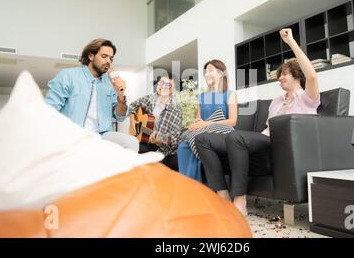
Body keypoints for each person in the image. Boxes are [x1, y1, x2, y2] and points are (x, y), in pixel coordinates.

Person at [195, 29, 320, 215]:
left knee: (234, 137)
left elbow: (312, 76)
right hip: (260, 149)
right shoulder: (276, 101)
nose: (280, 78)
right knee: (203, 139)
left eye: (284, 74)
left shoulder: (307, 97)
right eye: (279, 75)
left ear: (297, 74)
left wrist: (291, 42)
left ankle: (240, 198)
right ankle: (222, 195)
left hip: (278, 146)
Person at [45, 39, 138, 151]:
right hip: (74, 134)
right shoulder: (68, 76)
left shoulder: (110, 83)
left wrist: (121, 96)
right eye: (104, 56)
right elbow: (50, 109)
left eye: (111, 58)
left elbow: (120, 116)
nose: (108, 61)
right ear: (91, 56)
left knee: (131, 142)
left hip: (102, 135)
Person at [177, 59, 238, 182]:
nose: (206, 74)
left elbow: (232, 121)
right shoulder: (200, 97)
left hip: (222, 134)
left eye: (210, 71)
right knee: (183, 146)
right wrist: (196, 124)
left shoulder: (230, 94)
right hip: (203, 133)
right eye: (205, 72)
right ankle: (189, 187)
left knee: (198, 141)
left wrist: (206, 123)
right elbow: (199, 120)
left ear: (221, 74)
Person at [128, 74, 182, 170]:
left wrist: (160, 139)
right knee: (128, 148)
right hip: (145, 141)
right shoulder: (151, 98)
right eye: (161, 83)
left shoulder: (175, 108)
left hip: (165, 151)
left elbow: (174, 139)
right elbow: (132, 105)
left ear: (173, 90)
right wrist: (132, 120)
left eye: (168, 85)